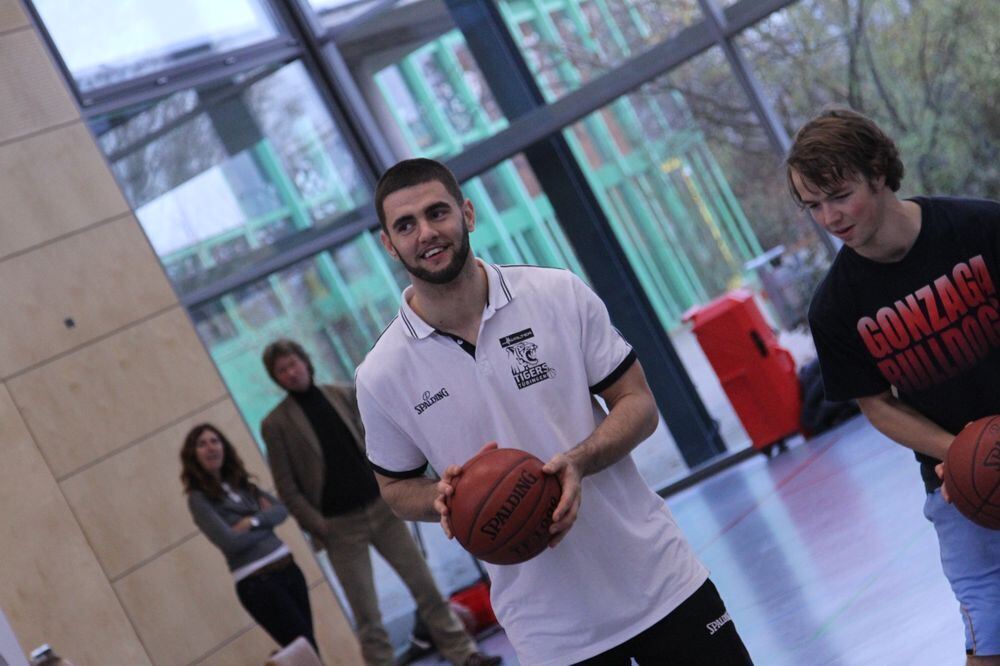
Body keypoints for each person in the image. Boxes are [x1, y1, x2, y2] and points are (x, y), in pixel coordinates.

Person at [355, 157, 752, 666]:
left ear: (468, 214)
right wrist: (445, 498)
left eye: (438, 213)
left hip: (660, 583)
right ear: (389, 244)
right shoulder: (382, 374)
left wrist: (579, 460)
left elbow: (638, 403)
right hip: (551, 636)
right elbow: (395, 489)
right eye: (405, 225)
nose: (426, 233)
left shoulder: (555, 294)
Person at [789, 107, 1000, 664]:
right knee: (987, 642)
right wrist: (964, 455)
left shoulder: (980, 228)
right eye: (813, 205)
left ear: (878, 172)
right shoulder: (834, 307)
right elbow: (878, 406)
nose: (829, 217)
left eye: (838, 195)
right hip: (960, 486)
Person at [260, 339, 500, 666]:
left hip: (381, 509)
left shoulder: (343, 393)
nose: (290, 373)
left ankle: (465, 654)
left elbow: (382, 447)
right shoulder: (276, 424)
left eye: (293, 364)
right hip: (339, 527)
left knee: (426, 588)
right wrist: (320, 526)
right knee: (368, 614)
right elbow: (286, 487)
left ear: (305, 362)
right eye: (282, 370)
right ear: (276, 379)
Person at [180, 424, 316, 651]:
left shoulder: (241, 484)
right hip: (260, 583)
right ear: (193, 455)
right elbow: (230, 542)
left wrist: (252, 522)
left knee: (309, 649)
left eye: (215, 441)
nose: (210, 447)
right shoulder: (199, 499)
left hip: (289, 570)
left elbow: (281, 510)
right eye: (201, 444)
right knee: (304, 650)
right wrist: (265, 520)